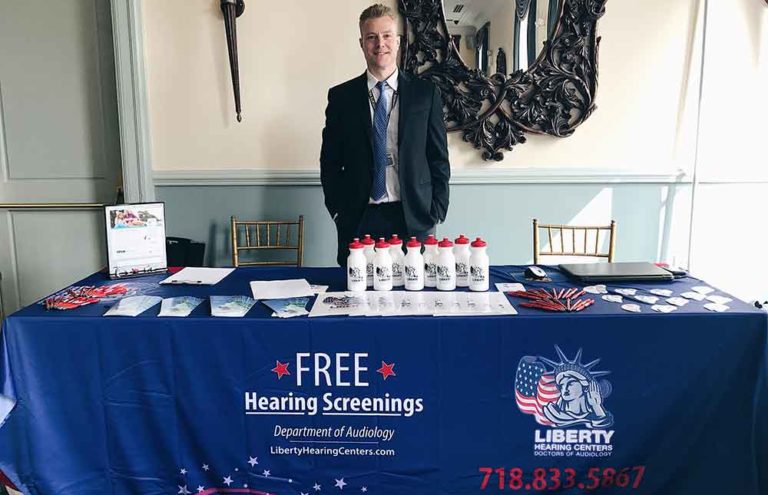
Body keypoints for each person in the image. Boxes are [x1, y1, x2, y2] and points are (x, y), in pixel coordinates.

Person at [320, 4, 450, 266]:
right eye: (371, 37)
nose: (380, 44)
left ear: (399, 41)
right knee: (356, 298)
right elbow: (330, 162)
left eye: (387, 35)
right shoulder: (341, 98)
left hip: (413, 215)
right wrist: (337, 211)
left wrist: (436, 211)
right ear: (362, 43)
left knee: (414, 298)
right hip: (359, 216)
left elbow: (438, 158)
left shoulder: (426, 95)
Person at [542, 369, 614, 428]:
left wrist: (596, 406)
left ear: (585, 387)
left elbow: (602, 424)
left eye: (570, 383)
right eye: (562, 385)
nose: (565, 389)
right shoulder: (553, 413)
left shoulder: (595, 415)